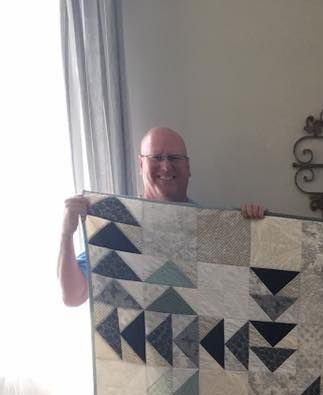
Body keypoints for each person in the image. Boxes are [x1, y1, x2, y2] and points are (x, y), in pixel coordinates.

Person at [58, 127, 265, 306]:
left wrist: (257, 229)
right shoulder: (117, 225)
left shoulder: (212, 228)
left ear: (188, 167)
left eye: (174, 158)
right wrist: (67, 235)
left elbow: (247, 290)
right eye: (156, 157)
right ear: (141, 165)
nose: (166, 166)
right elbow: (73, 296)